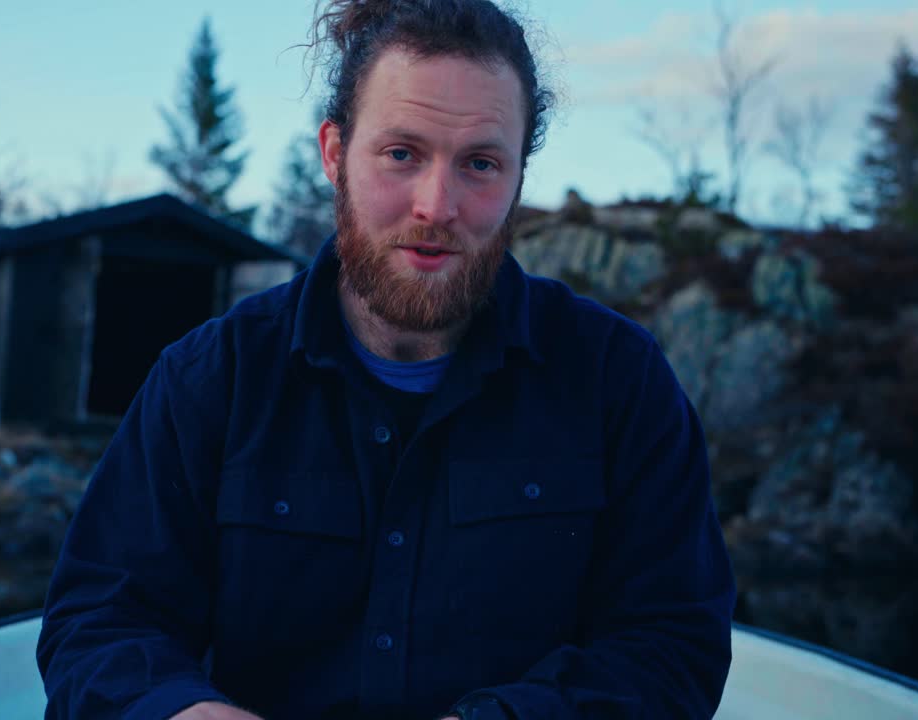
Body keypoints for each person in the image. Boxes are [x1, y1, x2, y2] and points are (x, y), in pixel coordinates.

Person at [36, 0, 736, 718]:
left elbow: (673, 645)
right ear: (335, 154)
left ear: (520, 176)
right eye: (402, 154)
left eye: (481, 164)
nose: (437, 204)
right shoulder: (210, 380)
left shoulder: (618, 381)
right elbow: (99, 625)